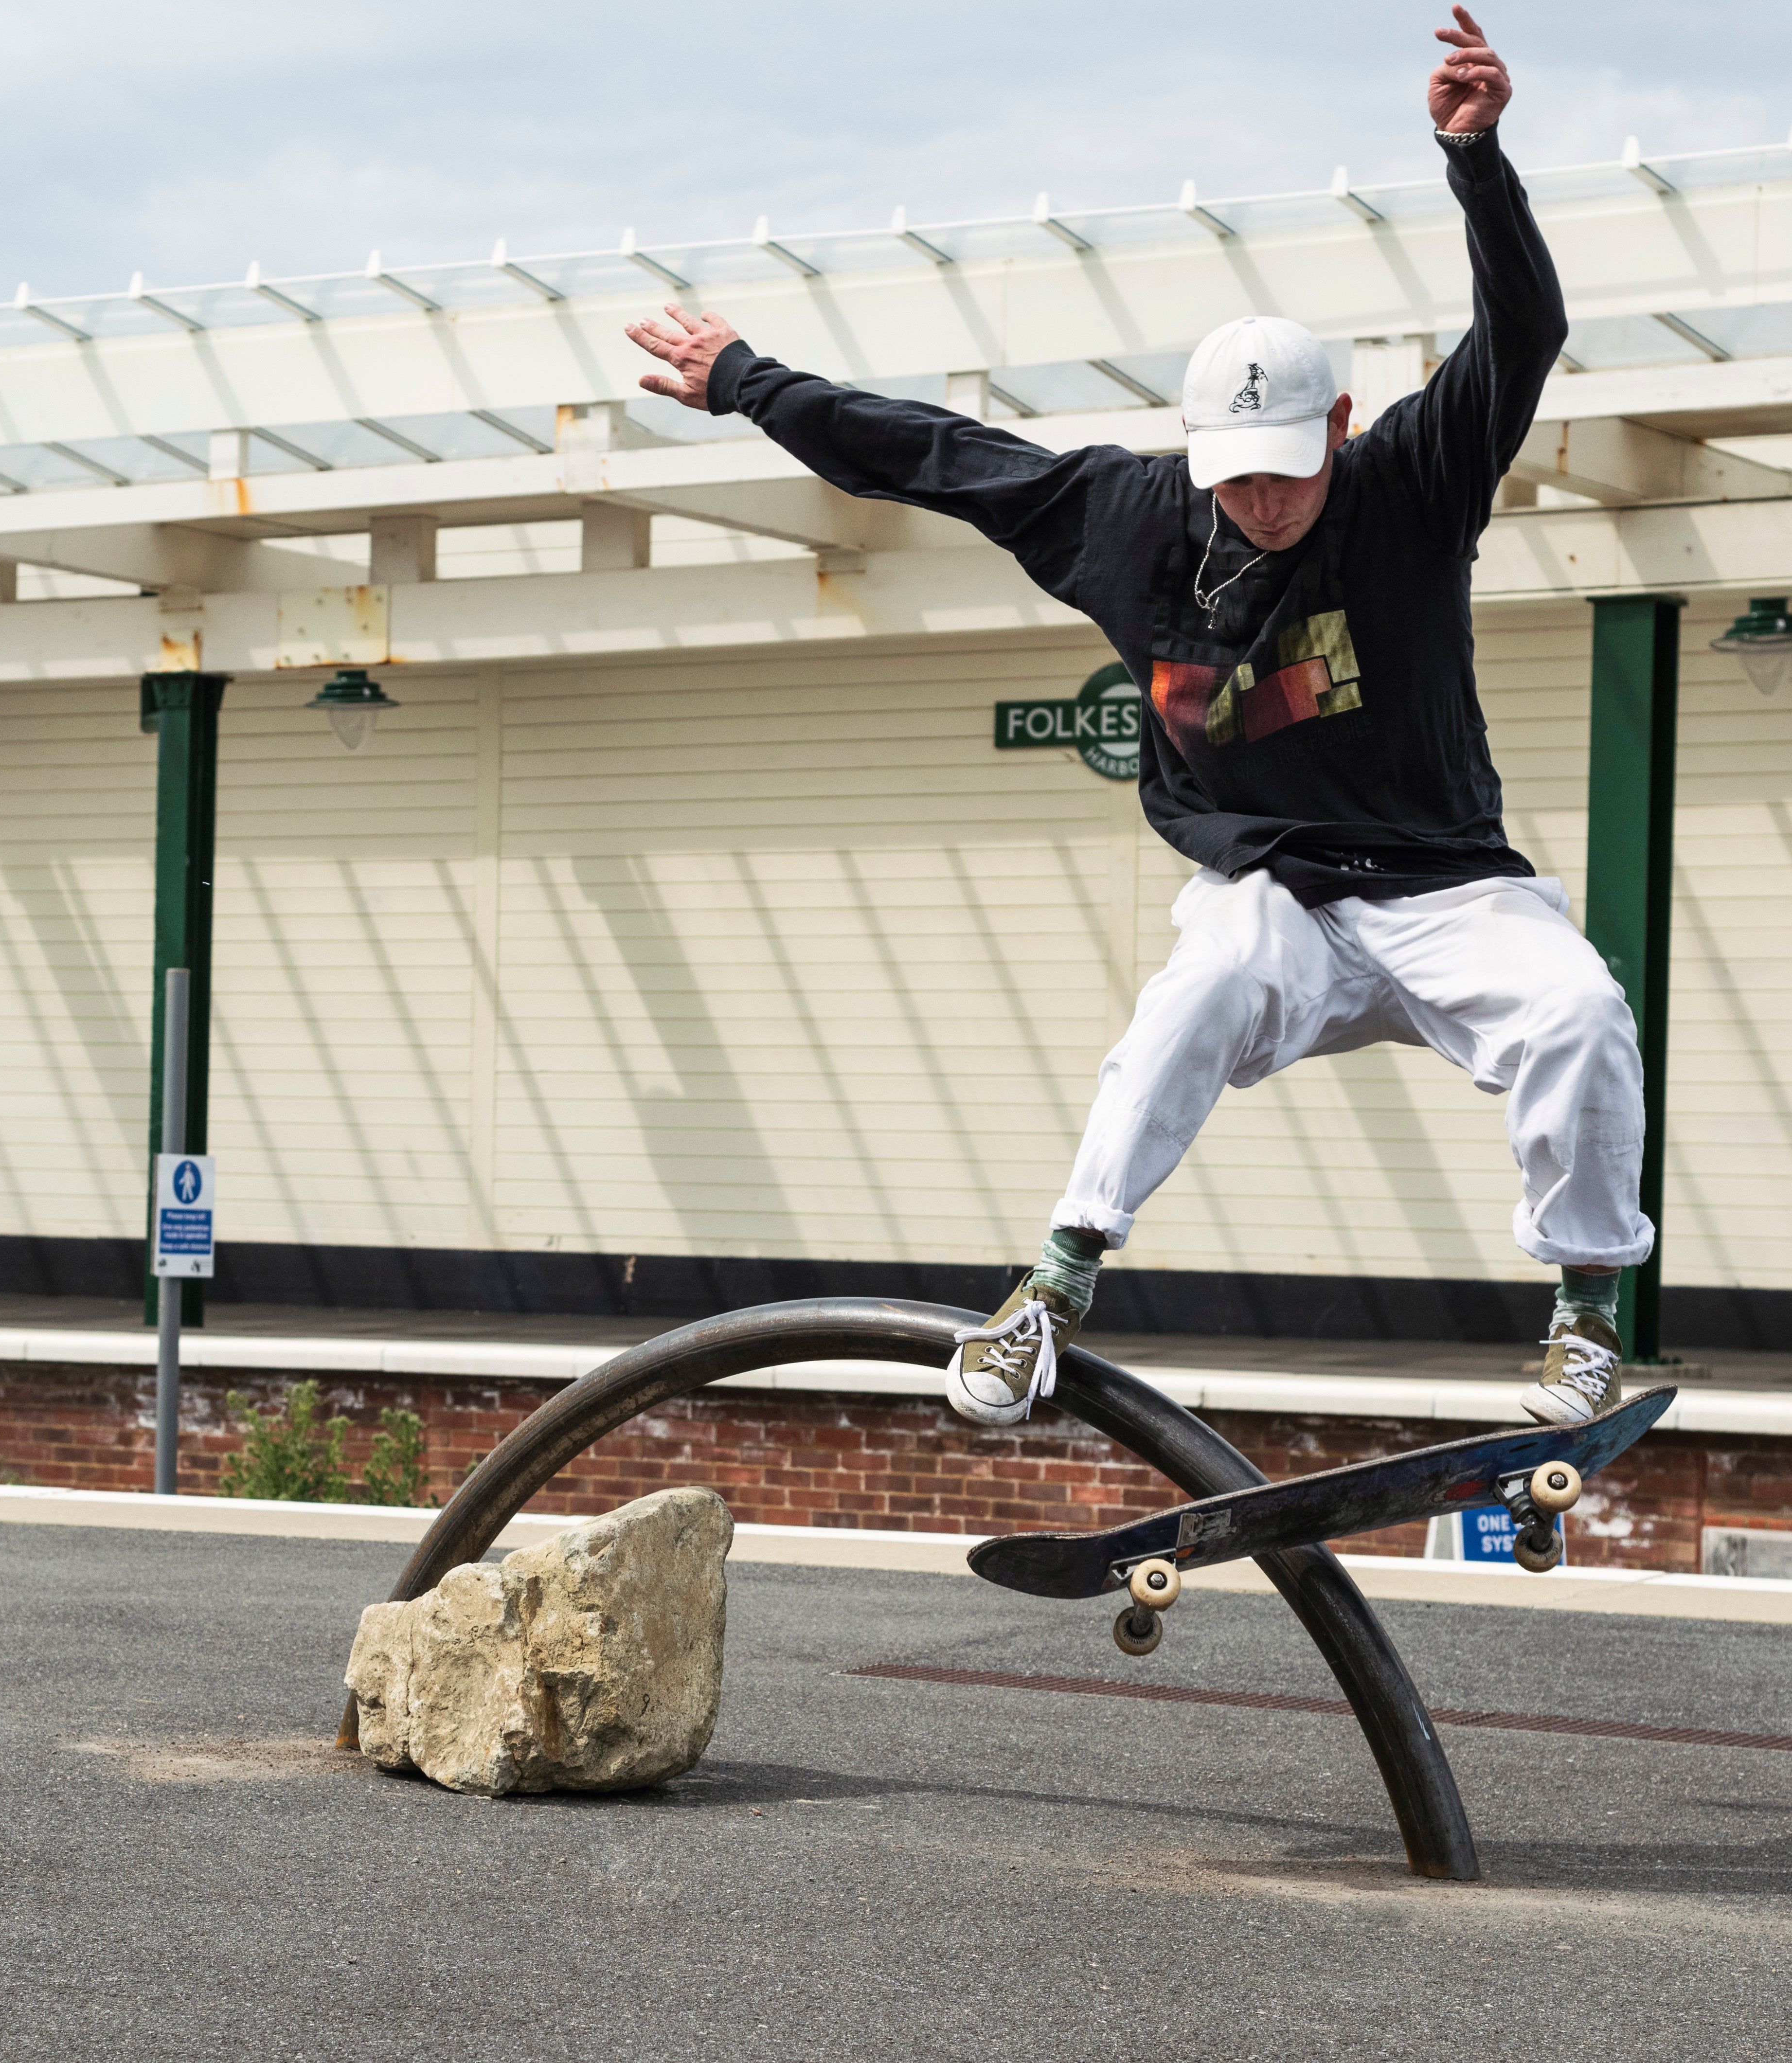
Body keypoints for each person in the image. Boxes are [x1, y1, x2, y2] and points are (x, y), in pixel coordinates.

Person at [622, 6, 1650, 1432]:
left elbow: (1521, 334)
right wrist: (747, 382)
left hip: (1442, 884)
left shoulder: (1412, 481)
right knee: (1192, 996)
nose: (1265, 503)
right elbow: (933, 459)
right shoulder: (1122, 518)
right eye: (1237, 481)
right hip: (1270, 887)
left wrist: (1474, 161)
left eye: (1289, 474)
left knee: (1581, 1010)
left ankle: (1585, 1317)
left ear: (1340, 426)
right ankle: (1051, 1285)